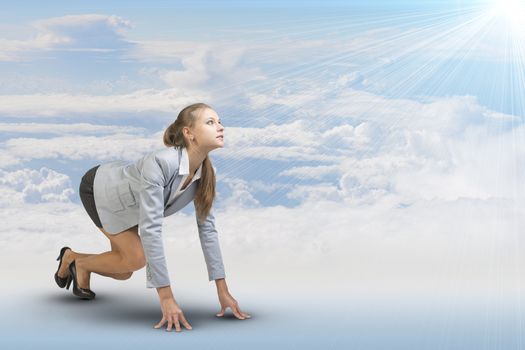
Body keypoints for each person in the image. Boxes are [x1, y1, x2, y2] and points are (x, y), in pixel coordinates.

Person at [54, 102, 251, 332]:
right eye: (210, 122)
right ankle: (80, 263)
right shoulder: (160, 162)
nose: (220, 127)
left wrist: (222, 290)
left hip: (132, 205)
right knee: (135, 259)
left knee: (124, 272)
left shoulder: (205, 174)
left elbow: (207, 231)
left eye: (220, 122)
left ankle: (74, 259)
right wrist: (166, 297)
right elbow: (151, 228)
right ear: (189, 133)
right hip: (101, 190)